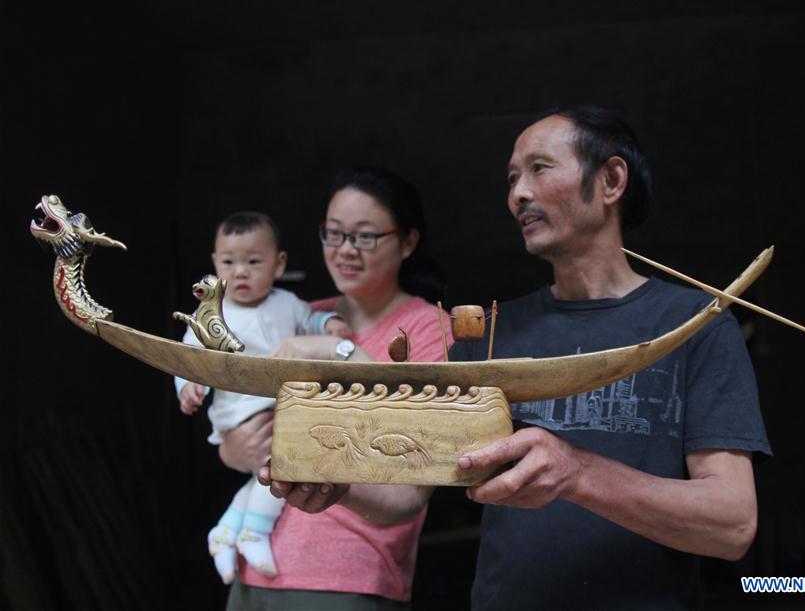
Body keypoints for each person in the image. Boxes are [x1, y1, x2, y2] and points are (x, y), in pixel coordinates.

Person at [266, 106, 771, 610]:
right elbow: (407, 495)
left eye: (540, 168)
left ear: (612, 179)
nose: (517, 194)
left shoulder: (695, 328)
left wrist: (577, 473)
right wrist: (338, 486)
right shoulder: (487, 338)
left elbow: (732, 524)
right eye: (512, 178)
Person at [219, 167, 453, 610]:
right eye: (333, 234)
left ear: (408, 242)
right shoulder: (300, 314)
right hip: (255, 569)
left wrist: (338, 349)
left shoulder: (430, 329)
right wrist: (233, 447)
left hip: (348, 579)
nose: (345, 250)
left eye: (364, 237)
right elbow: (243, 422)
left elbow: (414, 472)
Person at [175, 211, 350, 584]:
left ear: (278, 263)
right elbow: (190, 357)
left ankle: (225, 533)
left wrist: (330, 323)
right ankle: (255, 532)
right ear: (214, 264)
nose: (240, 272)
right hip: (240, 412)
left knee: (266, 475)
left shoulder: (287, 302)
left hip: (281, 407)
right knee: (284, 465)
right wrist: (188, 385)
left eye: (253, 262)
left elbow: (311, 321)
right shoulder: (212, 312)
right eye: (229, 262)